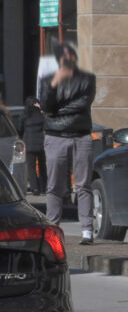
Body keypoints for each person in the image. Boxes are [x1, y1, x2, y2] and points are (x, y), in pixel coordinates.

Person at [40, 42, 96, 245]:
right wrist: (55, 83)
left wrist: (56, 112)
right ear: (58, 59)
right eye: (64, 57)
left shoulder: (87, 78)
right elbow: (45, 105)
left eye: (71, 55)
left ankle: (87, 231)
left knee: (83, 185)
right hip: (55, 137)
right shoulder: (48, 79)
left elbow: (83, 103)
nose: (68, 59)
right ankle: (53, 228)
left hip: (81, 136)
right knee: (54, 186)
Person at [18, 96, 47, 195]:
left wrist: (21, 137)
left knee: (31, 167)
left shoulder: (24, 114)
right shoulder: (41, 114)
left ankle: (34, 188)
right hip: (41, 143)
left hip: (29, 143)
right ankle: (43, 187)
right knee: (42, 165)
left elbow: (20, 128)